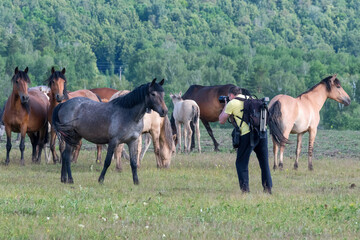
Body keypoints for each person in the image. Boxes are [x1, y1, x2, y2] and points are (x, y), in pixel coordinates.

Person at [219, 86, 272, 194]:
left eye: (229, 96)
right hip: (262, 133)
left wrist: (226, 105)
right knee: (264, 162)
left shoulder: (232, 103)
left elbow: (221, 120)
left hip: (247, 134)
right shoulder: (252, 98)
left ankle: (245, 190)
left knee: (241, 162)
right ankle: (268, 188)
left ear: (231, 95)